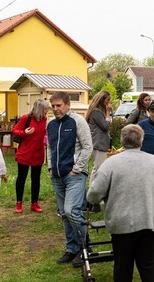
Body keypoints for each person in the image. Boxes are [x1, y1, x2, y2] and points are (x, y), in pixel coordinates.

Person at [87, 124, 154, 282]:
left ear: (121, 140)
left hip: (122, 225)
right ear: (142, 141)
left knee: (122, 266)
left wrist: (93, 199)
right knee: (148, 266)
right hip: (149, 223)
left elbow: (95, 193)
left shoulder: (111, 164)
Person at [47, 91, 93, 267]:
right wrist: (51, 167)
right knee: (65, 214)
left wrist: (77, 169)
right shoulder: (50, 124)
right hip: (57, 176)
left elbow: (88, 147)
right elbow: (50, 147)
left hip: (74, 175)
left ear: (68, 104)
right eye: (53, 106)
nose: (56, 109)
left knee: (72, 211)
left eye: (59, 105)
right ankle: (72, 248)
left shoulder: (78, 121)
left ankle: (85, 248)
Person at [12, 98, 50, 214]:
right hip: (25, 152)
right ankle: (19, 203)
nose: (47, 111)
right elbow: (15, 130)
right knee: (21, 178)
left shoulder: (45, 120)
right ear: (40, 109)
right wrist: (25, 133)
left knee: (36, 179)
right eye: (45, 109)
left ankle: (35, 203)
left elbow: (44, 133)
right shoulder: (26, 118)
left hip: (38, 153)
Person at [85, 90, 112, 183]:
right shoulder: (96, 111)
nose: (109, 102)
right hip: (98, 143)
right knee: (99, 168)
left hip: (99, 143)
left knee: (97, 167)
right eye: (108, 100)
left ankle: (94, 190)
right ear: (102, 99)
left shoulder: (96, 111)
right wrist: (108, 113)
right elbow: (105, 126)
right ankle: (93, 190)